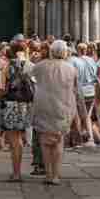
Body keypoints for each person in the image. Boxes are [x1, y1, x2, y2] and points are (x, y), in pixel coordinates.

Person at [31, 39, 78, 185]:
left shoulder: (40, 66)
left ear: (51, 51)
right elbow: (75, 89)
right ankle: (56, 175)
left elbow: (30, 75)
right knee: (58, 141)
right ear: (65, 52)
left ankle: (48, 174)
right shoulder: (71, 68)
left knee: (45, 142)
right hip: (63, 106)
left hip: (43, 105)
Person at [0, 40, 33, 181]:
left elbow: (1, 88)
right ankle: (18, 171)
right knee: (20, 138)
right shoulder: (31, 66)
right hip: (26, 105)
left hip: (11, 105)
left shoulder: (6, 66)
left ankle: (16, 172)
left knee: (14, 140)